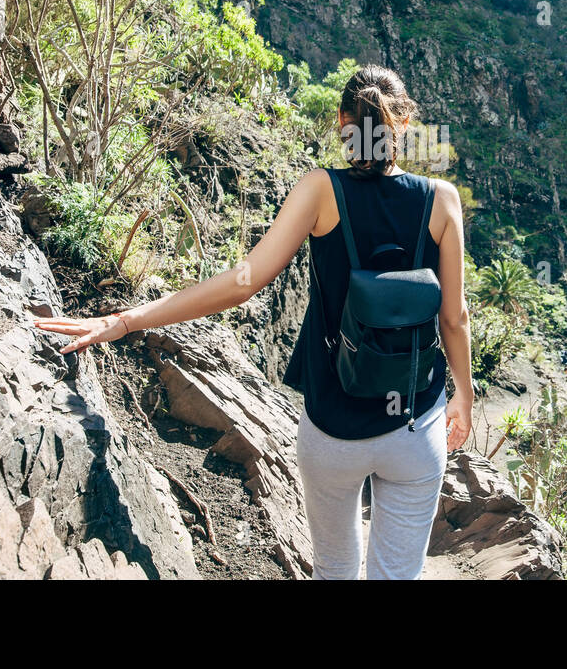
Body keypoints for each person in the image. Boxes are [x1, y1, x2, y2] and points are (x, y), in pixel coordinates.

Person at [34, 64, 473, 579]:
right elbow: (454, 317)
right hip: (415, 425)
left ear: (341, 123)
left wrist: (129, 320)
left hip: (335, 429)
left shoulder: (320, 191)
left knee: (335, 569)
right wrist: (462, 394)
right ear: (402, 126)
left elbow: (244, 281)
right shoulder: (441, 201)